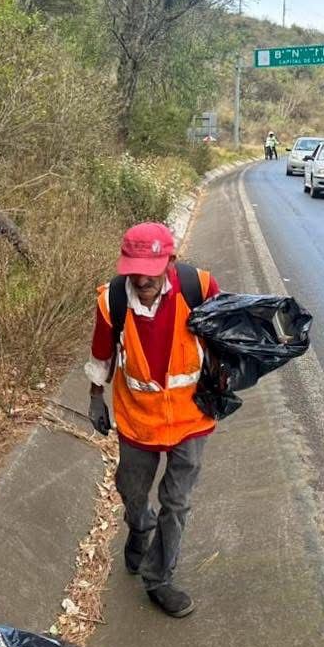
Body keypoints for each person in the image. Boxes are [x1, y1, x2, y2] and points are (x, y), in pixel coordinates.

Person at [86, 222, 220, 618]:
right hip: (137, 418)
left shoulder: (200, 288)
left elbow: (224, 337)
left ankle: (159, 578)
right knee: (131, 490)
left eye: (151, 268)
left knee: (176, 502)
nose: (142, 278)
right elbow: (101, 355)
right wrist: (96, 398)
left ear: (170, 262)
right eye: (134, 269)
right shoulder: (112, 299)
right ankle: (139, 526)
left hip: (190, 417)